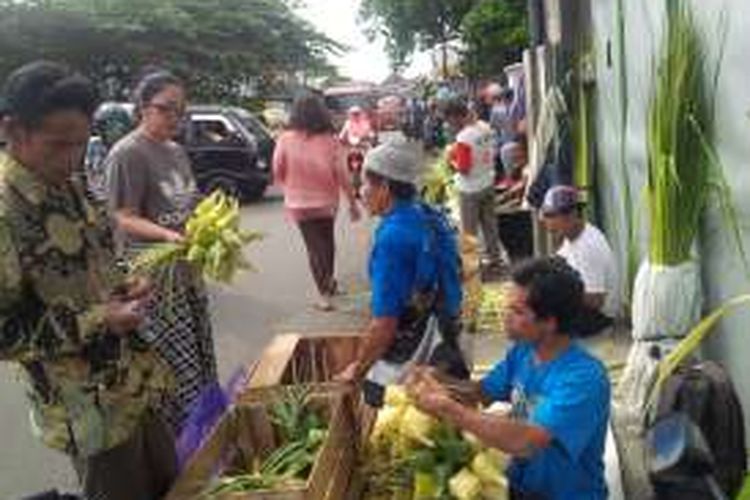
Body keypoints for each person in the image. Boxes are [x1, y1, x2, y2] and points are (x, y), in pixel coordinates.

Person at [0, 61, 174, 500]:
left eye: (80, 144)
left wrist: (127, 283)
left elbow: (93, 262)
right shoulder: (5, 210)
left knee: (178, 486)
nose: (71, 159)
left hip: (134, 385)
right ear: (13, 130)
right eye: (58, 145)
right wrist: (99, 319)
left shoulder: (68, 184)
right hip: (87, 410)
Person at [409, 257, 611, 500]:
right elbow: (481, 392)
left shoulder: (583, 378)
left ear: (549, 322)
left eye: (517, 311)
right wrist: (438, 379)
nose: (506, 316)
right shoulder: (524, 351)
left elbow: (527, 442)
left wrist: (450, 409)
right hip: (520, 489)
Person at [103, 70, 217, 434]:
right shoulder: (128, 153)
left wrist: (210, 222)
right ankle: (179, 452)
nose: (174, 118)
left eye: (180, 111)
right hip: (154, 284)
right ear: (142, 107)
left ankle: (205, 440)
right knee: (173, 373)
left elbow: (188, 200)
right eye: (166, 109)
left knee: (200, 364)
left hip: (188, 275)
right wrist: (168, 236)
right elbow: (122, 217)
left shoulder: (176, 151)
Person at [334, 140, 467, 406]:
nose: (360, 192)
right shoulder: (427, 213)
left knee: (382, 404)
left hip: (419, 350)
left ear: (384, 187)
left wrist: (358, 369)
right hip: (448, 334)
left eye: (365, 184)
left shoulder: (393, 238)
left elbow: (385, 324)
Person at [273, 95, 361, 311]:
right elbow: (341, 173)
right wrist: (352, 202)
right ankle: (329, 284)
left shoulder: (284, 139)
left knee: (314, 248)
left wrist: (287, 186)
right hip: (326, 203)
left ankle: (324, 293)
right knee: (327, 242)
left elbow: (277, 169)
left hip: (298, 204)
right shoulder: (330, 140)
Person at [540, 185, 620, 330]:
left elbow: (596, 300)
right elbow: (556, 262)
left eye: (552, 216)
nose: (547, 222)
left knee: (542, 318)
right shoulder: (571, 234)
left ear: (572, 215)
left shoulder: (589, 246)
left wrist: (560, 294)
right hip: (584, 303)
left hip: (599, 316)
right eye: (546, 215)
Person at [443, 98, 507, 271]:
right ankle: (495, 259)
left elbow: (463, 169)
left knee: (469, 231)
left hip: (470, 189)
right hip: (488, 181)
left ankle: (471, 266)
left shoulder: (464, 138)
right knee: (490, 224)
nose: (449, 124)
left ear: (456, 117)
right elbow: (493, 151)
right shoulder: (485, 127)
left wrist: (451, 161)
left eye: (449, 120)